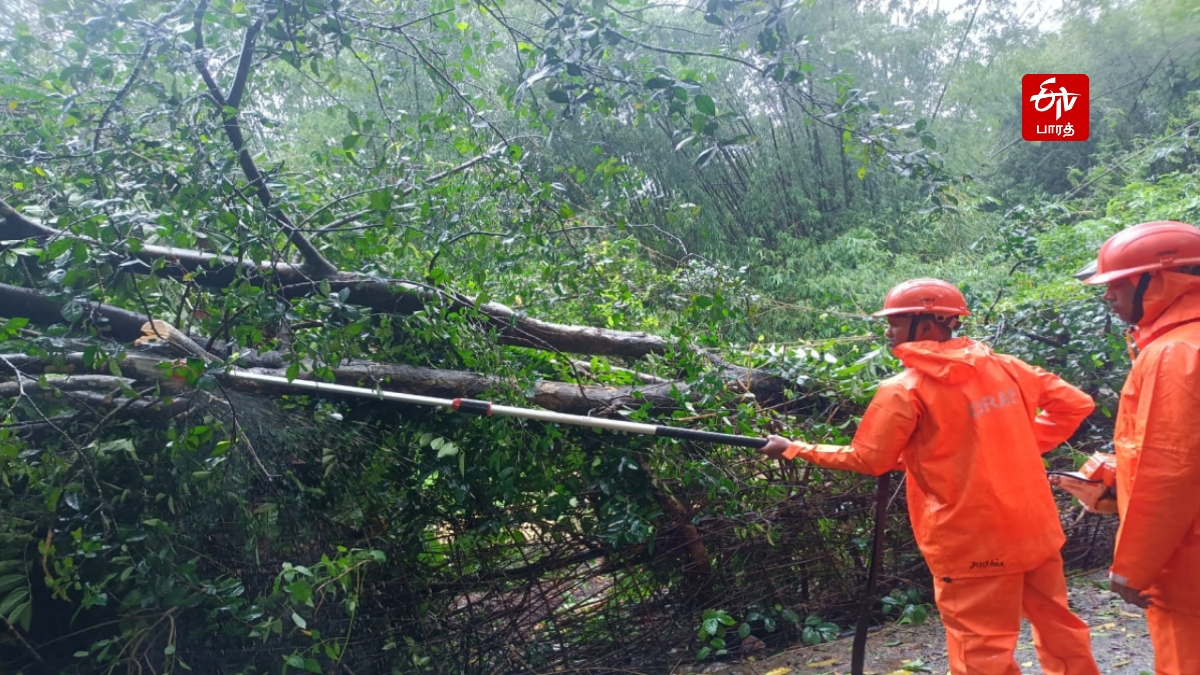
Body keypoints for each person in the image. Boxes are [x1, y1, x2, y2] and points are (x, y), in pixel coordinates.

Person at [759, 278, 1100, 675]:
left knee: (981, 649)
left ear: (928, 323)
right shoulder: (1006, 366)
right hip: (1034, 529)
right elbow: (1076, 404)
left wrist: (794, 448)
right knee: (1060, 627)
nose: (888, 331)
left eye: (896, 321)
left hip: (971, 541)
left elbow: (870, 459)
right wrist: (1012, 443)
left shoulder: (905, 389)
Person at [1080, 220, 1200, 675]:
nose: (1109, 295)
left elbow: (1171, 468)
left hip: (1188, 566)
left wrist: (1134, 567)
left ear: (1161, 279)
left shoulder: (1175, 354)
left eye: (1119, 283)